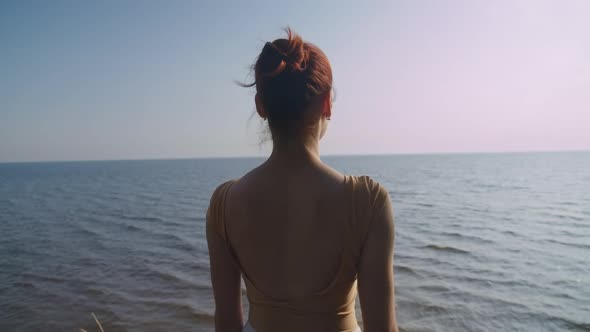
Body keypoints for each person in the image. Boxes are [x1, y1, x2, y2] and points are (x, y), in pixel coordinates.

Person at [206, 28, 398, 332]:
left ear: (260, 106)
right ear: (326, 104)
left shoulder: (223, 204)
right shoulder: (368, 202)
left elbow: (226, 324)